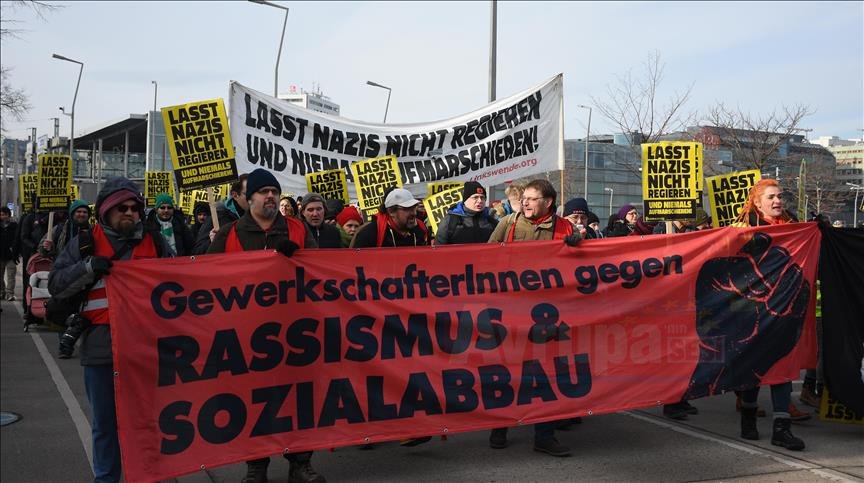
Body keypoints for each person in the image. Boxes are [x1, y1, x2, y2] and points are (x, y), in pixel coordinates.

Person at [49, 177, 173, 482]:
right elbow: (55, 285)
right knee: (105, 425)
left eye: (134, 207)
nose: (129, 212)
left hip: (146, 351)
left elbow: (184, 283)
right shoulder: (85, 243)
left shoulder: (156, 243)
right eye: (121, 208)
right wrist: (88, 266)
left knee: (147, 423)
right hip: (101, 349)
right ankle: (106, 479)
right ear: (106, 210)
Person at [207, 168, 322, 483]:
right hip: (249, 335)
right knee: (254, 401)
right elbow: (204, 279)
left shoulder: (297, 230)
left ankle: (300, 463)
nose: (270, 196)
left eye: (274, 191)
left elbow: (322, 269)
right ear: (250, 197)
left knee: (298, 401)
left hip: (296, 331)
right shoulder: (229, 234)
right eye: (263, 192)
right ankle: (256, 466)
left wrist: (298, 257)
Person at [486, 179, 578, 457]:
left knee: (546, 374)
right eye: (523, 198)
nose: (524, 202)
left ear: (548, 202)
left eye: (532, 198)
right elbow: (484, 259)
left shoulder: (565, 228)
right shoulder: (509, 224)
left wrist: (580, 245)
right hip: (511, 311)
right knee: (507, 371)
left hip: (548, 313)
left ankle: (544, 435)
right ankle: (500, 426)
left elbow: (584, 268)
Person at [730, 178, 806, 450]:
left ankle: (781, 428)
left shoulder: (795, 226)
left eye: (780, 196)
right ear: (757, 202)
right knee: (755, 365)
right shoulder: (743, 228)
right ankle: (748, 418)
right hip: (753, 308)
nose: (777, 201)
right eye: (771, 197)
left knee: (783, 365)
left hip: (785, 304)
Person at [350, 188, 431, 248]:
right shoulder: (369, 234)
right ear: (391, 211)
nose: (414, 213)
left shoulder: (421, 230)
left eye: (414, 207)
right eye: (407, 209)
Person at [192, 173, 249, 254]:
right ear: (235, 195)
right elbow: (196, 253)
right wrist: (213, 242)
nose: (253, 198)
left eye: (256, 193)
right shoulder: (218, 217)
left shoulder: (260, 218)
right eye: (248, 194)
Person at [0, 207, 20, 301]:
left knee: (11, 276)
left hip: (11, 256)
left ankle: (9, 293)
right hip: (1, 255)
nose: (2, 216)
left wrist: (16, 251)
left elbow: (17, 239)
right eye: (1, 215)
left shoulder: (14, 226)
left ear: (8, 215)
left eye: (4, 214)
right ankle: (1, 292)